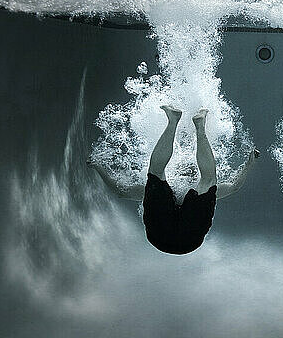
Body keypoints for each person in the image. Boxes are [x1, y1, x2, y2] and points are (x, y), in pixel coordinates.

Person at [89, 105, 259, 254]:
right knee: (205, 180)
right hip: (184, 239)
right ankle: (193, 125)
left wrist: (98, 166)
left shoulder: (167, 190)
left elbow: (121, 191)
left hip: (166, 237)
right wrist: (248, 164)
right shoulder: (197, 191)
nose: (189, 172)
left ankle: (175, 121)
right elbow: (234, 186)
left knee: (156, 174)